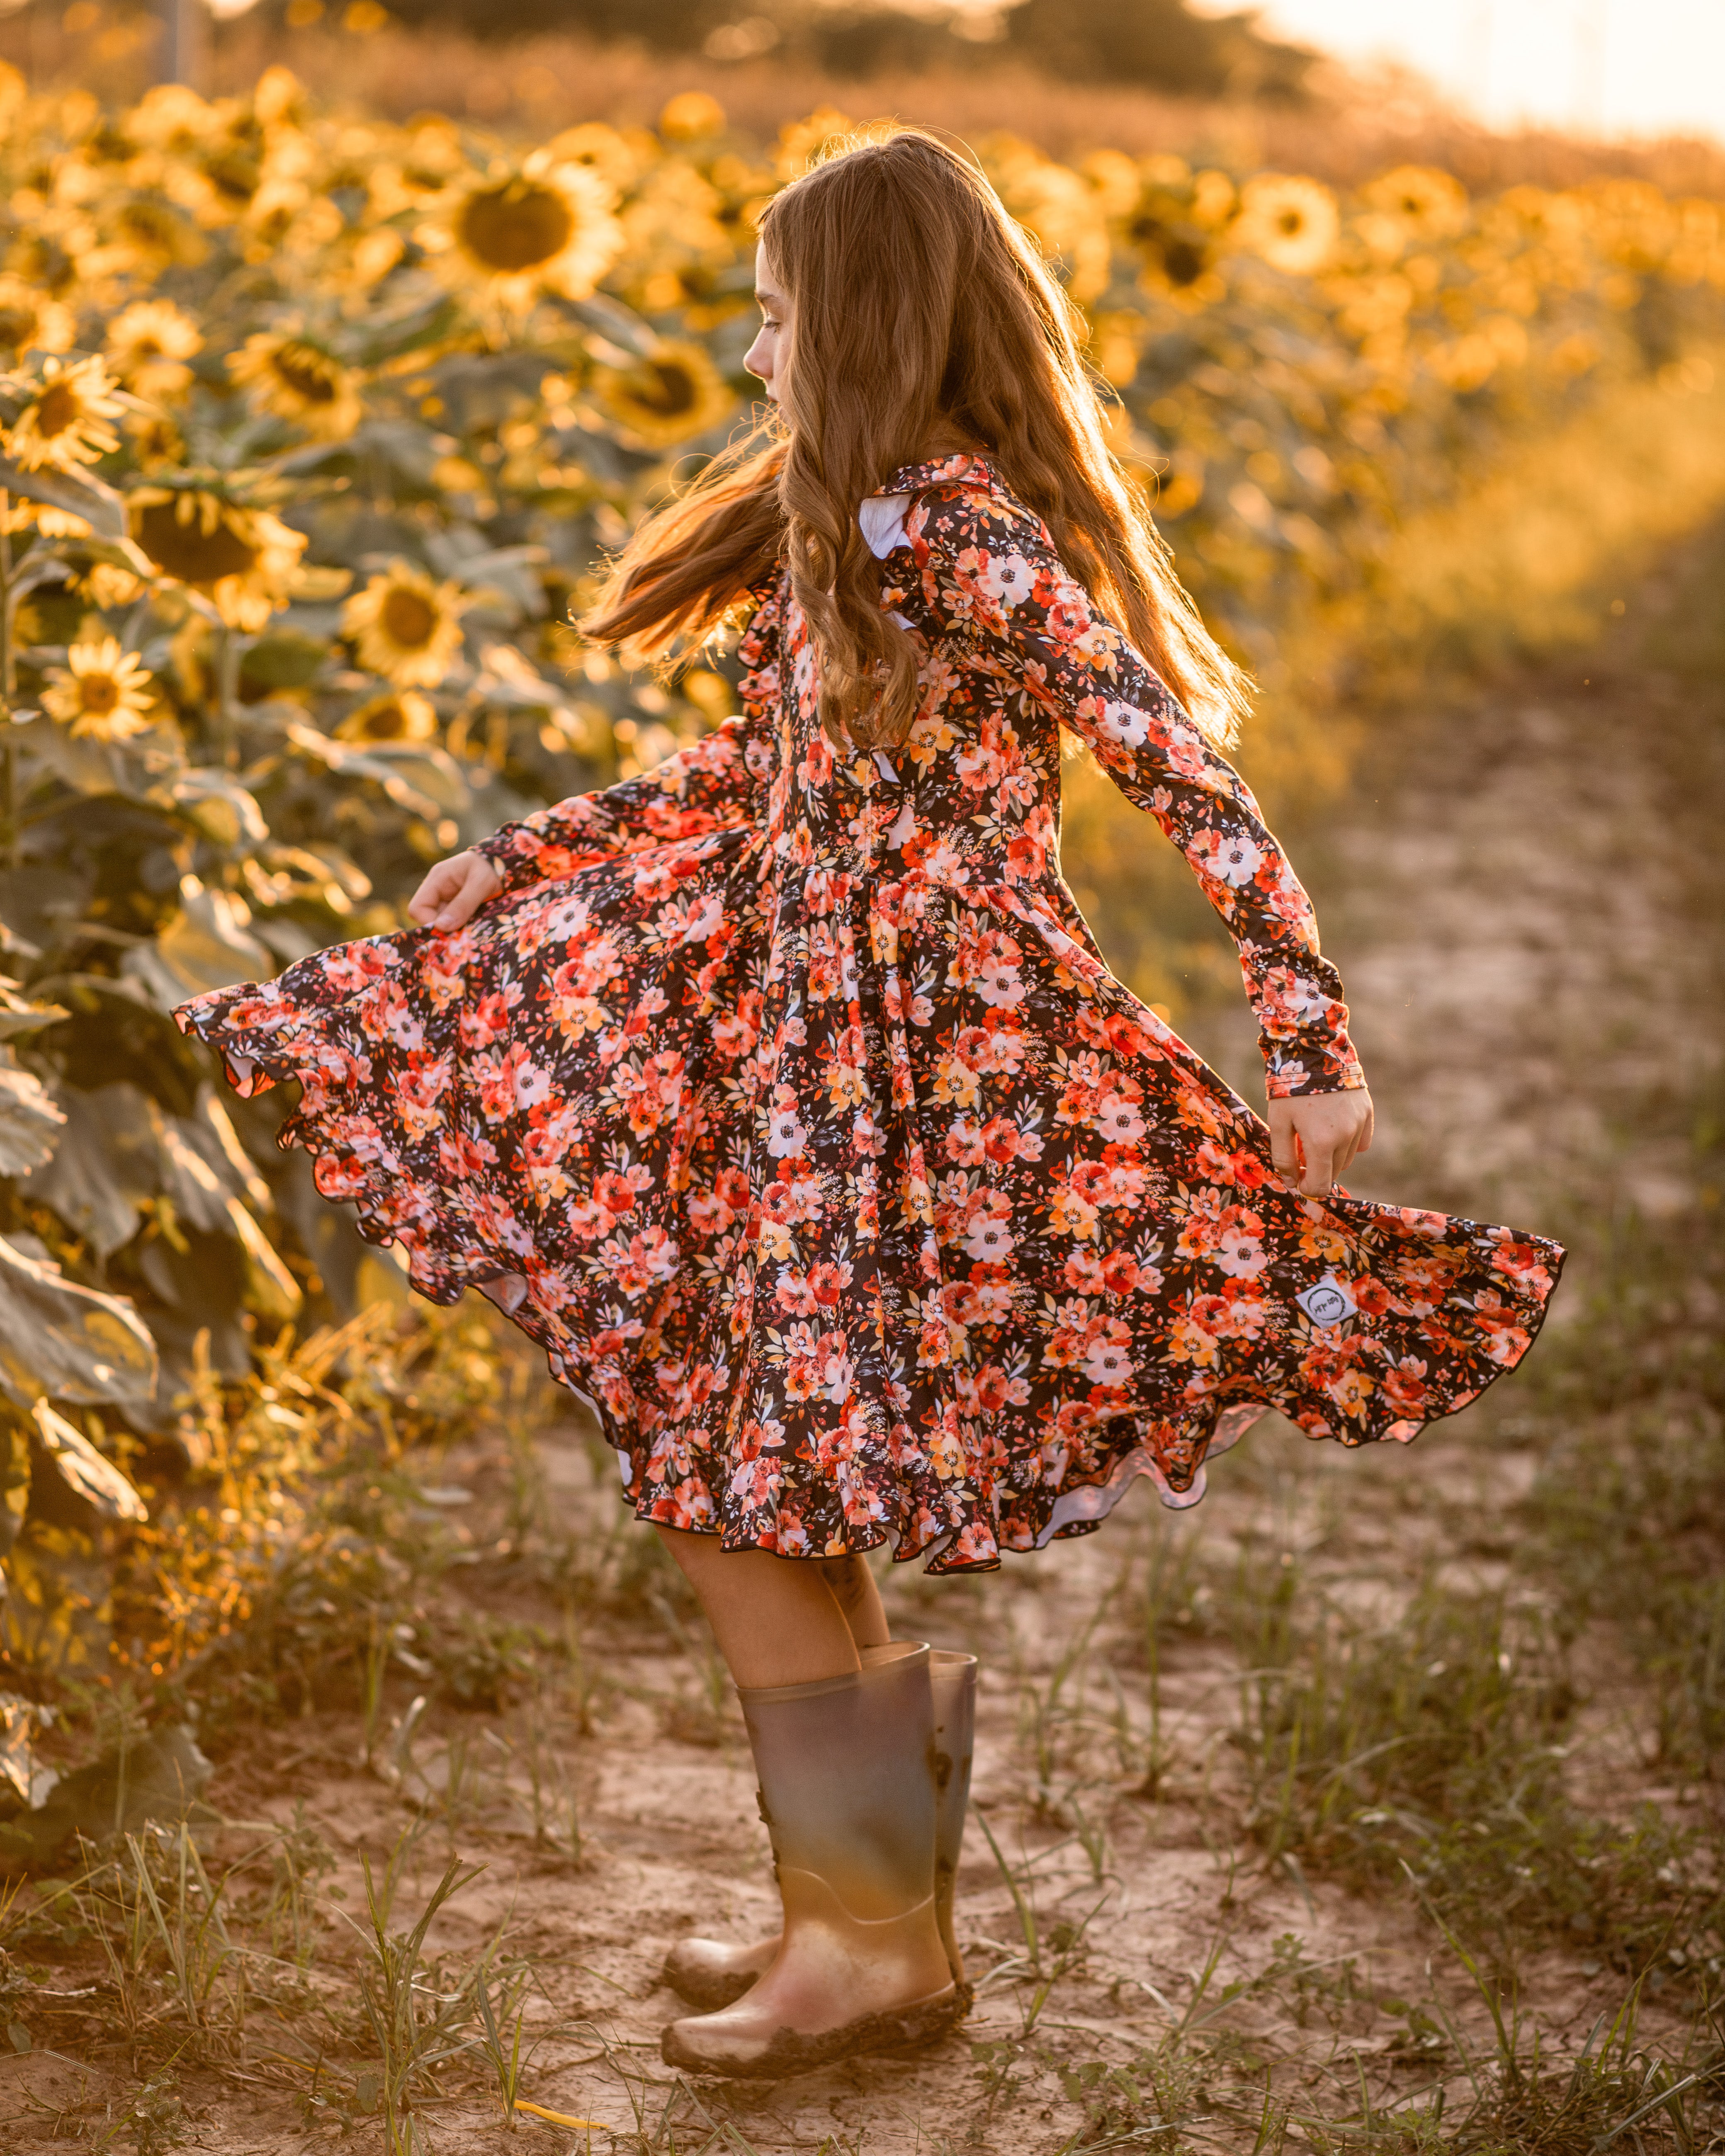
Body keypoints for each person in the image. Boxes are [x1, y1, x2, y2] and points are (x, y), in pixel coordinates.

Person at [175, 129, 1564, 2078]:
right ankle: (865, 1929)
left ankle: (859, 1940)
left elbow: (1186, 777)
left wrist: (1309, 1043)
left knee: (738, 1473)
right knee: (771, 1454)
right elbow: (756, 772)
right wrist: (529, 847)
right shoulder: (875, 517)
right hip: (808, 1028)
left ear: (858, 317)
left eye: (772, 318)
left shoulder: (948, 529)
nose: (753, 357)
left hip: (909, 1055)